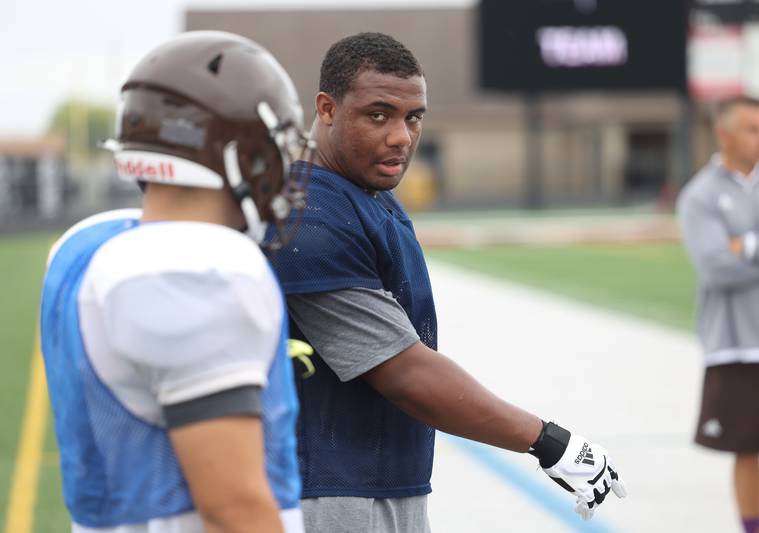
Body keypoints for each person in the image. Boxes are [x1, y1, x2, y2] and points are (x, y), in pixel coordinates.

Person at [266, 32, 626, 533]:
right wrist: (548, 441)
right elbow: (403, 372)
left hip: (380, 479)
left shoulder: (364, 191)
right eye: (378, 114)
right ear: (326, 109)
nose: (402, 136)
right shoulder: (310, 216)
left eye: (413, 117)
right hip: (332, 491)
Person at [39, 31, 313, 533]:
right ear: (236, 152)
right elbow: (232, 510)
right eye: (277, 145)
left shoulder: (86, 244)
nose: (285, 164)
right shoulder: (196, 269)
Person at [678, 95, 759, 533]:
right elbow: (715, 266)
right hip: (734, 346)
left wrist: (746, 244)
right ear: (723, 133)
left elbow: (737, 255)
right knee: (745, 451)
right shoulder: (700, 196)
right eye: (753, 129)